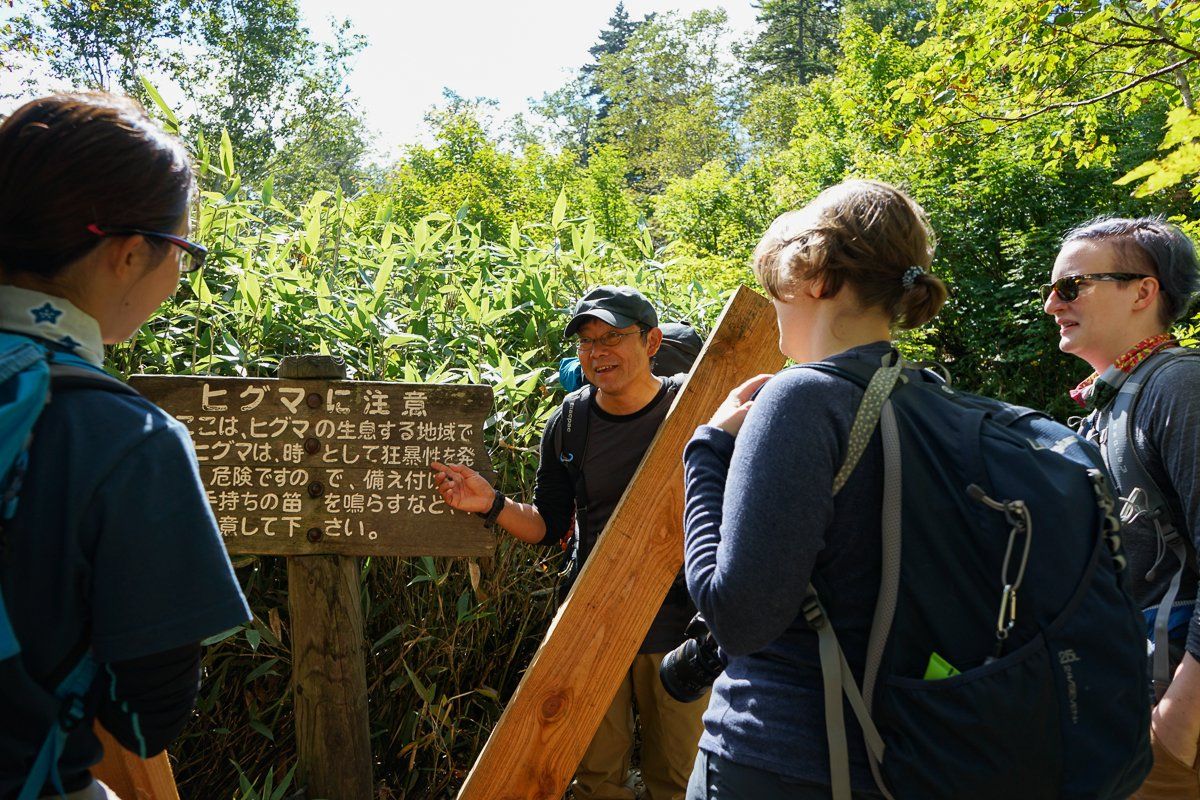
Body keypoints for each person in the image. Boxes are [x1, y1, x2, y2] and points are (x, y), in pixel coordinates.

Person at [0, 93, 251, 799]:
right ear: (131, 252)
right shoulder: (127, 438)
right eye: (185, 253)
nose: (179, 276)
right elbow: (147, 719)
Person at [681, 179, 946, 798]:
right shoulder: (932, 399)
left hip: (780, 755)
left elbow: (737, 618)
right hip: (906, 753)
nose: (774, 301)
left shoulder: (802, 399)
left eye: (777, 282)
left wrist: (709, 451)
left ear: (816, 278)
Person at [432, 286, 705, 800]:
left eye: (612, 338)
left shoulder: (696, 404)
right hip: (592, 619)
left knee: (681, 777)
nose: (598, 353)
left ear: (651, 342)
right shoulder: (571, 422)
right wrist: (490, 503)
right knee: (594, 778)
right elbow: (550, 525)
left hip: (678, 622)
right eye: (587, 343)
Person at [1043, 217, 1200, 800]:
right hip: (1131, 716)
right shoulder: (1110, 403)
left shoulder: (1179, 386)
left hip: (1176, 732)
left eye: (1071, 286)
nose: (1052, 305)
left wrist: (1178, 727)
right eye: (1050, 289)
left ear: (1143, 291)